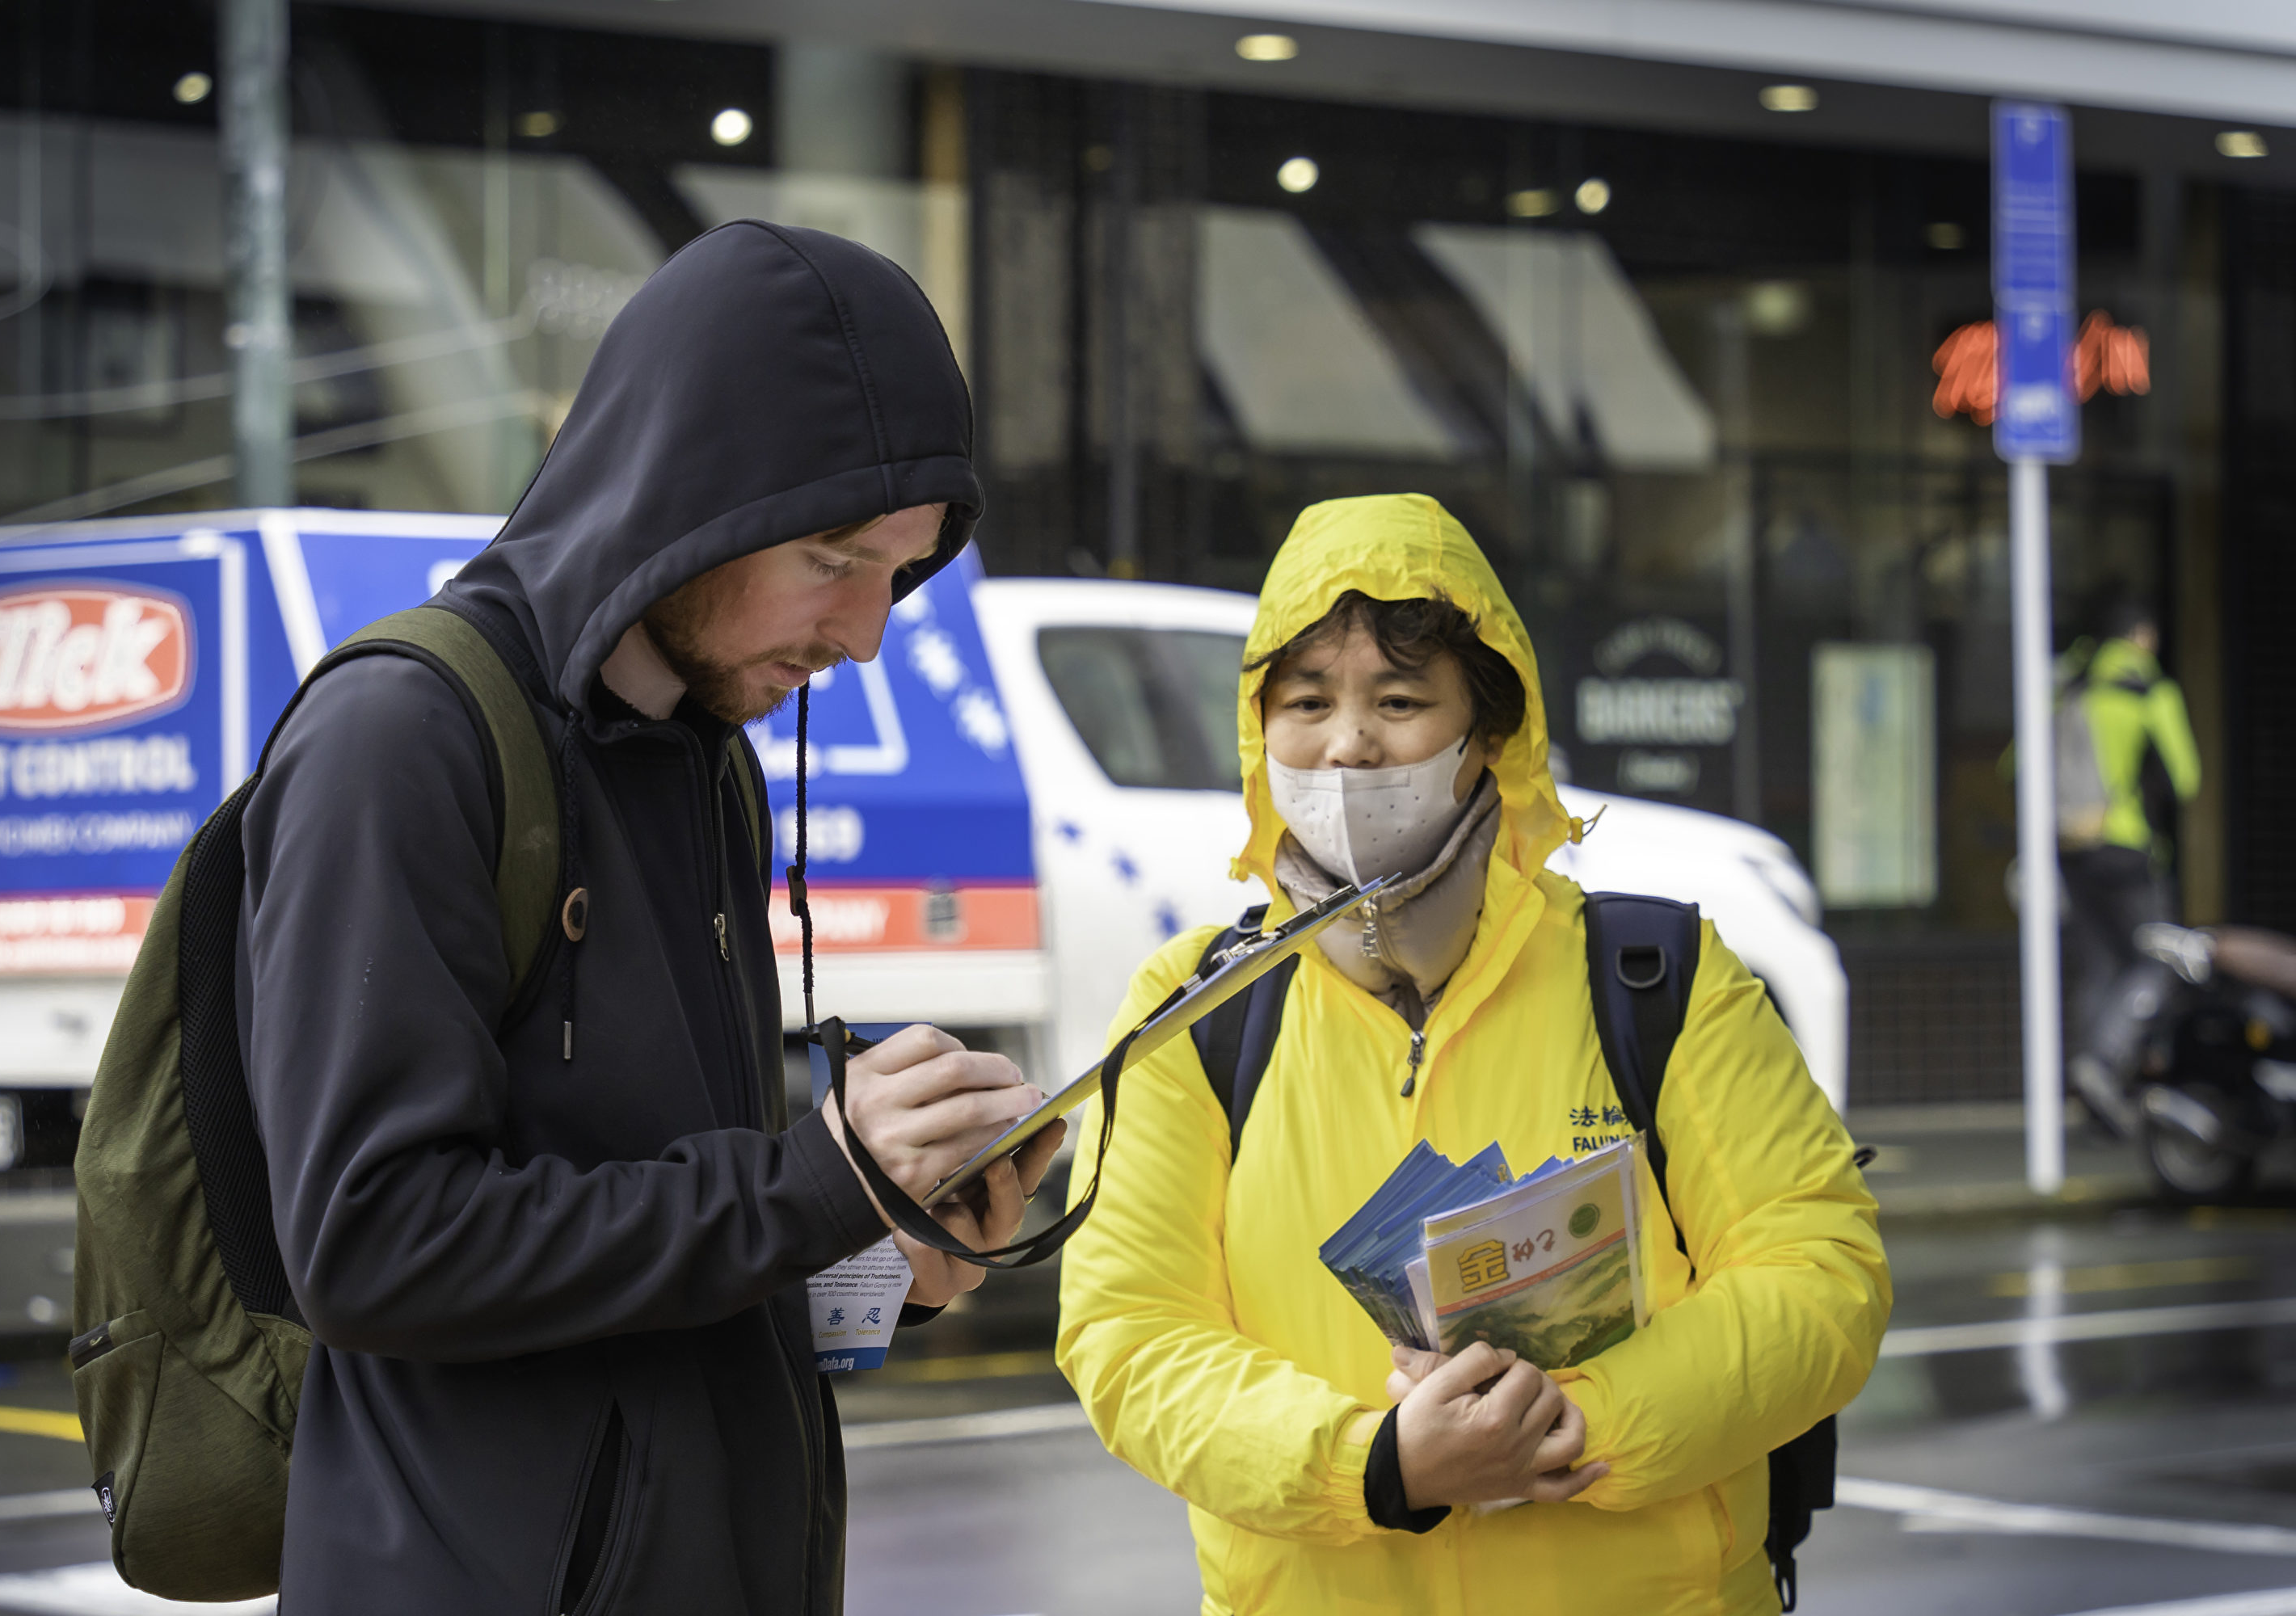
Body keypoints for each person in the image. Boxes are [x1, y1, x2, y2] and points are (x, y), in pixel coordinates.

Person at [238, 222, 1060, 1615]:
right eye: (834, 559)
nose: (865, 633)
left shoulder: (708, 752)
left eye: (899, 574)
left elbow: (666, 1209)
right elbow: (371, 1247)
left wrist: (873, 1249)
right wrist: (807, 1183)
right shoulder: (401, 739)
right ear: (693, 502)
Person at [1055, 494, 1889, 1614]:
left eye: (1399, 701)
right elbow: (1128, 1334)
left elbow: (1821, 1273)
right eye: (1307, 702)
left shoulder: (1658, 977)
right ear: (1262, 735)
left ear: (1488, 734)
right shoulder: (1195, 1012)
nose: (1349, 743)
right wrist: (1380, 1464)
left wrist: (1582, 1421)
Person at [2058, 599, 2203, 1127]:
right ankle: (2102, 1062)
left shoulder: (2070, 688)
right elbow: (2186, 777)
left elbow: (2017, 766)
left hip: (2071, 847)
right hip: (2126, 844)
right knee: (2156, 961)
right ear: (2142, 636)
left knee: (2100, 968)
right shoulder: (2149, 689)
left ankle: (2089, 1093)